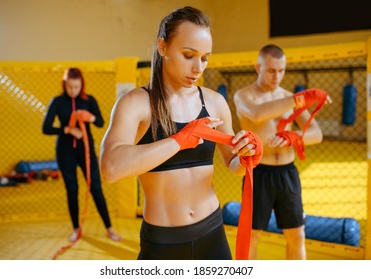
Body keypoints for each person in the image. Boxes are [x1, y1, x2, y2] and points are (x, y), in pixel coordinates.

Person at [100, 6, 259, 260]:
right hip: (163, 243)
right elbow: (110, 168)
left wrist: (247, 154)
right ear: (163, 47)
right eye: (188, 55)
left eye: (205, 58)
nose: (198, 67)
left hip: (212, 233)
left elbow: (233, 164)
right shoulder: (137, 103)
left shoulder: (215, 102)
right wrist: (179, 140)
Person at [233, 44, 331, 260]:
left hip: (287, 173)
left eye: (281, 70)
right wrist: (299, 99)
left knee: (297, 235)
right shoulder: (244, 95)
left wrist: (294, 137)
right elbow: (257, 114)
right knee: (251, 236)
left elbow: (317, 134)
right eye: (270, 70)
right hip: (258, 173)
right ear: (258, 67)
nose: (276, 76)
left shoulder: (290, 97)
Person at [42, 67, 121, 243]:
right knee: (72, 189)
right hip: (65, 150)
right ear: (65, 85)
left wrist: (90, 117)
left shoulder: (89, 100)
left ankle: (109, 228)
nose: (73, 91)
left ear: (81, 85)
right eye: (70, 87)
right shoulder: (57, 101)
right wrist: (68, 129)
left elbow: (101, 122)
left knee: (96, 189)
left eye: (76, 87)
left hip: (85, 150)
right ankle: (76, 229)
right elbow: (46, 128)